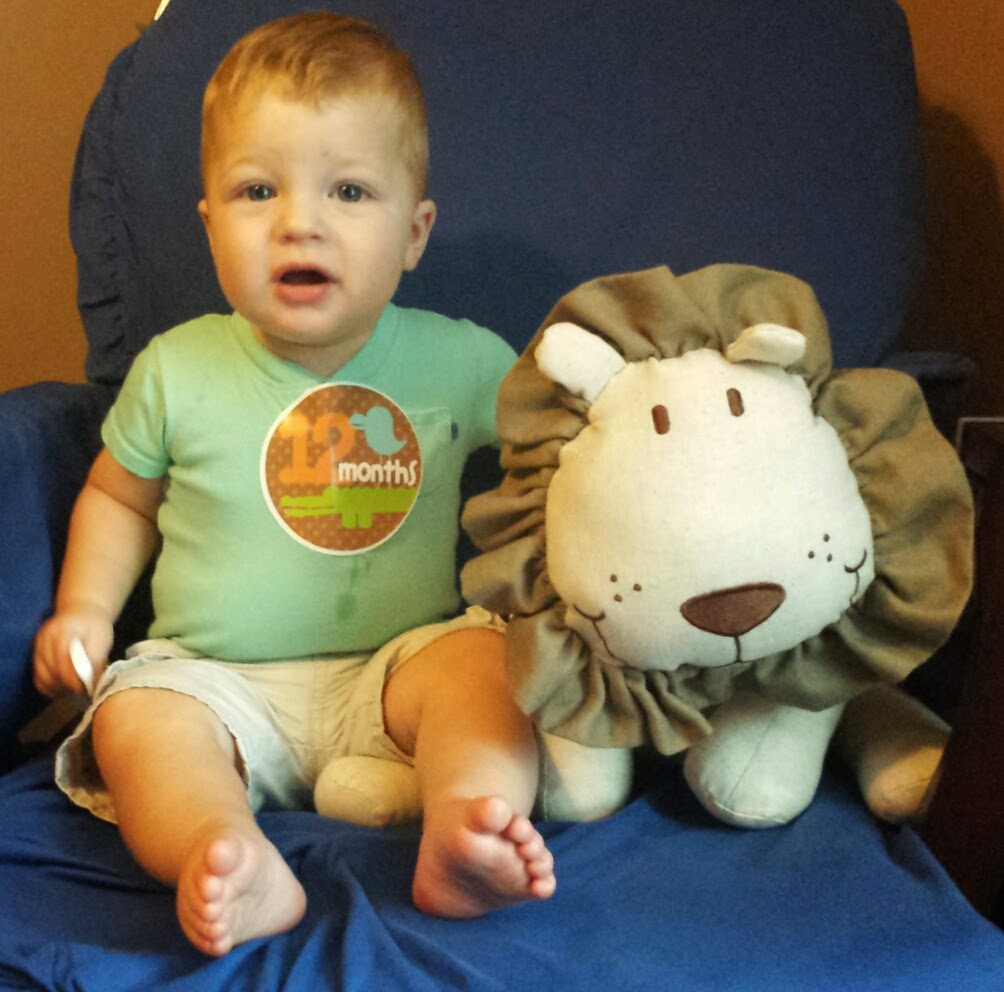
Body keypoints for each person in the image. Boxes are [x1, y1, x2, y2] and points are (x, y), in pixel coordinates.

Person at [32, 12, 555, 958]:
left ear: (414, 233)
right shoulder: (176, 369)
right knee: (139, 721)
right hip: (215, 679)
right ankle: (224, 851)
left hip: (396, 672)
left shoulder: (464, 360)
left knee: (486, 668)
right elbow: (119, 498)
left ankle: (468, 824)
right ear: (210, 224)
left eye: (349, 190)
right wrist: (84, 610)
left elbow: (558, 447)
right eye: (257, 189)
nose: (298, 222)